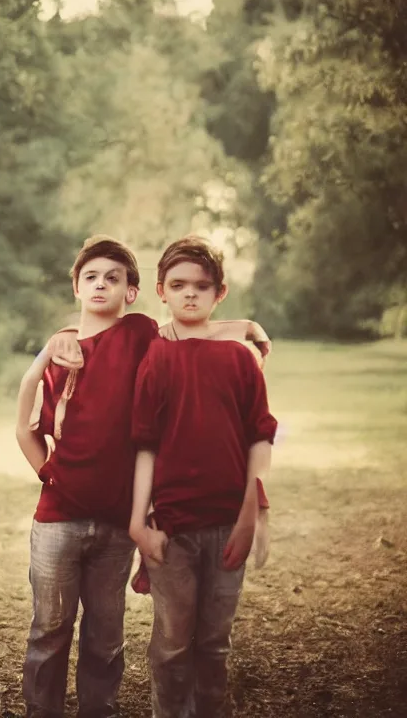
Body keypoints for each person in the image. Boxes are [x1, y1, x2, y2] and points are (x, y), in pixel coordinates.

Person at [15, 236, 269, 718]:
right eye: (90, 277)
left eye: (113, 278)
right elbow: (28, 431)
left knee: (105, 635)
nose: (101, 284)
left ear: (133, 292)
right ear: (75, 286)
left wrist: (245, 326)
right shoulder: (61, 358)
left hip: (115, 523)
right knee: (49, 629)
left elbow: (187, 326)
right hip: (58, 519)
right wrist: (51, 474)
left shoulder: (137, 333)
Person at [129, 236, 277, 718]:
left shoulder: (240, 360)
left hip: (226, 522)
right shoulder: (155, 355)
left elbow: (260, 437)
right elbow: (145, 444)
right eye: (178, 285)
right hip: (169, 525)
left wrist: (251, 516)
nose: (189, 294)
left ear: (220, 293)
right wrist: (138, 522)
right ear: (161, 291)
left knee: (214, 643)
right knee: (172, 645)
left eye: (202, 285)